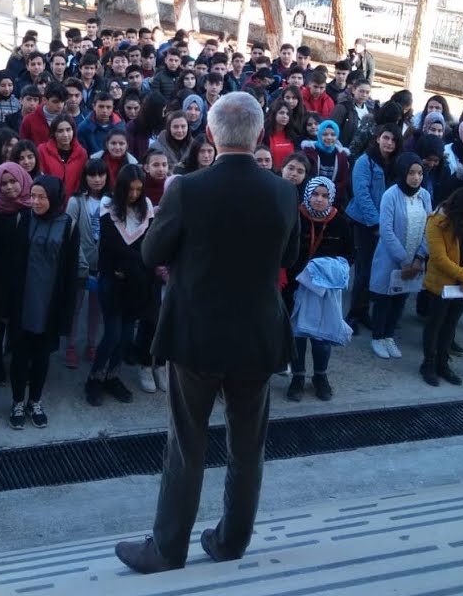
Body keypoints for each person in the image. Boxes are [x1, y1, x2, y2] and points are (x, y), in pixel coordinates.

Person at [115, 93, 299, 574]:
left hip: (196, 335)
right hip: (257, 335)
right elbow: (289, 256)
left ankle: (167, 549)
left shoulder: (186, 189)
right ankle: (231, 541)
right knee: (248, 447)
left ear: (212, 134)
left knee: (186, 443)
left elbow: (152, 253)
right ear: (259, 135)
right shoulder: (284, 191)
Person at [4, 175, 84, 430]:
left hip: (50, 303)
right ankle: (17, 402)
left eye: (42, 197)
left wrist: (66, 313)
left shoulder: (69, 225)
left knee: (42, 355)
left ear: (55, 198)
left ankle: (35, 401)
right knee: (19, 354)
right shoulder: (22, 219)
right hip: (23, 301)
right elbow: (11, 263)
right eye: (33, 196)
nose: (35, 202)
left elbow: (70, 273)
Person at [89, 163, 154, 403]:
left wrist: (131, 265)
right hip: (111, 279)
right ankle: (95, 378)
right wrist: (136, 262)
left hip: (135, 283)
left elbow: (147, 244)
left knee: (126, 335)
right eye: (130, 189)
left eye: (138, 189)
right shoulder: (108, 205)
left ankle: (112, 376)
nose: (134, 194)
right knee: (112, 335)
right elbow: (112, 245)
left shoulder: (146, 207)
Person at [285, 176, 353, 401]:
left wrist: (328, 268)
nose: (319, 199)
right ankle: (297, 377)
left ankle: (320, 376)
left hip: (325, 290)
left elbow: (349, 255)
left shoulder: (340, 222)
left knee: (322, 336)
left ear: (331, 198)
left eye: (324, 196)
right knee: (297, 334)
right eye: (315, 194)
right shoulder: (295, 217)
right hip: (296, 285)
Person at [421, 187, 463, 387]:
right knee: (435, 325)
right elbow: (439, 258)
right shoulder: (437, 221)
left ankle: (443, 362)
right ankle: (428, 363)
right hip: (442, 286)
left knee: (450, 325)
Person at [368, 153, 432, 360]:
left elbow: (429, 228)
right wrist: (404, 261)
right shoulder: (391, 195)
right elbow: (386, 230)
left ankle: (389, 336)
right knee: (384, 299)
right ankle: (377, 337)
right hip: (391, 258)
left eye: (420, 173)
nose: (416, 177)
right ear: (403, 172)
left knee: (401, 298)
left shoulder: (424, 195)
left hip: (415, 259)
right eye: (411, 173)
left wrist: (419, 257)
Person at [345, 124, 401, 331]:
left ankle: (363, 309)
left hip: (386, 223)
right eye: (386, 138)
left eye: (393, 140)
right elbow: (362, 194)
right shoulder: (365, 161)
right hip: (365, 222)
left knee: (375, 269)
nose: (389, 143)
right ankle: (354, 313)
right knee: (365, 269)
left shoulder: (396, 163)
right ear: (378, 138)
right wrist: (376, 223)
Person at [0, 162, 35, 385]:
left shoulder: (33, 208)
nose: (9, 187)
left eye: (13, 181)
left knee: (20, 324)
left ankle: (20, 363)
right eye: (4, 183)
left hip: (26, 277)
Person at [63, 159, 108, 370]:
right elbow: (71, 233)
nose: (97, 179)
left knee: (96, 310)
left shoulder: (111, 201)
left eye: (101, 175)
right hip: (79, 263)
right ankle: (71, 345)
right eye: (92, 175)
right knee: (75, 307)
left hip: (102, 265)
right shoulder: (76, 201)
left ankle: (92, 344)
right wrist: (80, 263)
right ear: (85, 177)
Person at [301, 120, 351, 208]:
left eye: (333, 135)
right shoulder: (309, 152)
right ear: (319, 135)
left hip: (332, 199)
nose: (329, 137)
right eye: (325, 134)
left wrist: (330, 193)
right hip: (310, 197)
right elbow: (305, 174)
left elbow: (343, 179)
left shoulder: (341, 155)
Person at [36, 114, 88, 195]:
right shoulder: (42, 150)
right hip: (49, 197)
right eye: (60, 131)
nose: (65, 135)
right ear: (54, 133)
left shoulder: (82, 153)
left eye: (68, 130)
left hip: (73, 198)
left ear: (73, 131)